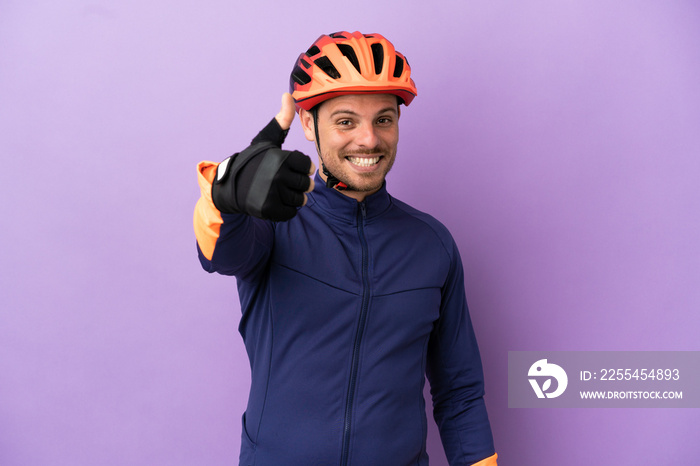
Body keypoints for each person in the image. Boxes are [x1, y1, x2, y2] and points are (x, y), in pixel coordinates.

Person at [193, 31, 498, 466]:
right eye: (346, 121)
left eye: (384, 120)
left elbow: (460, 392)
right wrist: (226, 192)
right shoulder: (271, 224)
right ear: (307, 123)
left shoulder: (432, 244)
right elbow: (218, 254)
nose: (369, 140)